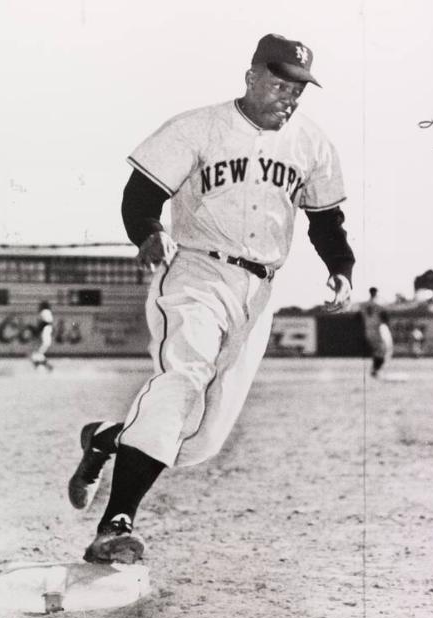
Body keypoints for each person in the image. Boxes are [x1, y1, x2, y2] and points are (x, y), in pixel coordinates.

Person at [68, 33, 355, 564]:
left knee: (202, 440)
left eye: (298, 88)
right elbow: (142, 192)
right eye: (278, 82)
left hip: (261, 289)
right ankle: (115, 525)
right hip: (197, 272)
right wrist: (148, 231)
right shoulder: (197, 126)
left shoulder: (313, 145)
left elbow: (325, 220)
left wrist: (341, 268)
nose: (288, 96)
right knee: (182, 380)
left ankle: (108, 437)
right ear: (251, 77)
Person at [360, 287, 393, 377]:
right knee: (385, 351)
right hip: (378, 330)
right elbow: (385, 316)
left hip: (368, 330)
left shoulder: (363, 304)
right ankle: (375, 370)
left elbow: (359, 317)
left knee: (377, 352)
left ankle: (375, 370)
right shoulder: (379, 303)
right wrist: (388, 326)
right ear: (376, 293)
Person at [31, 301, 54, 371]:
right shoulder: (46, 313)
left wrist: (36, 330)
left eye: (41, 306)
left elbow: (45, 323)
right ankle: (46, 367)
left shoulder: (45, 312)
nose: (39, 307)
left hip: (44, 338)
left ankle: (45, 367)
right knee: (37, 355)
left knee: (35, 355)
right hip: (45, 338)